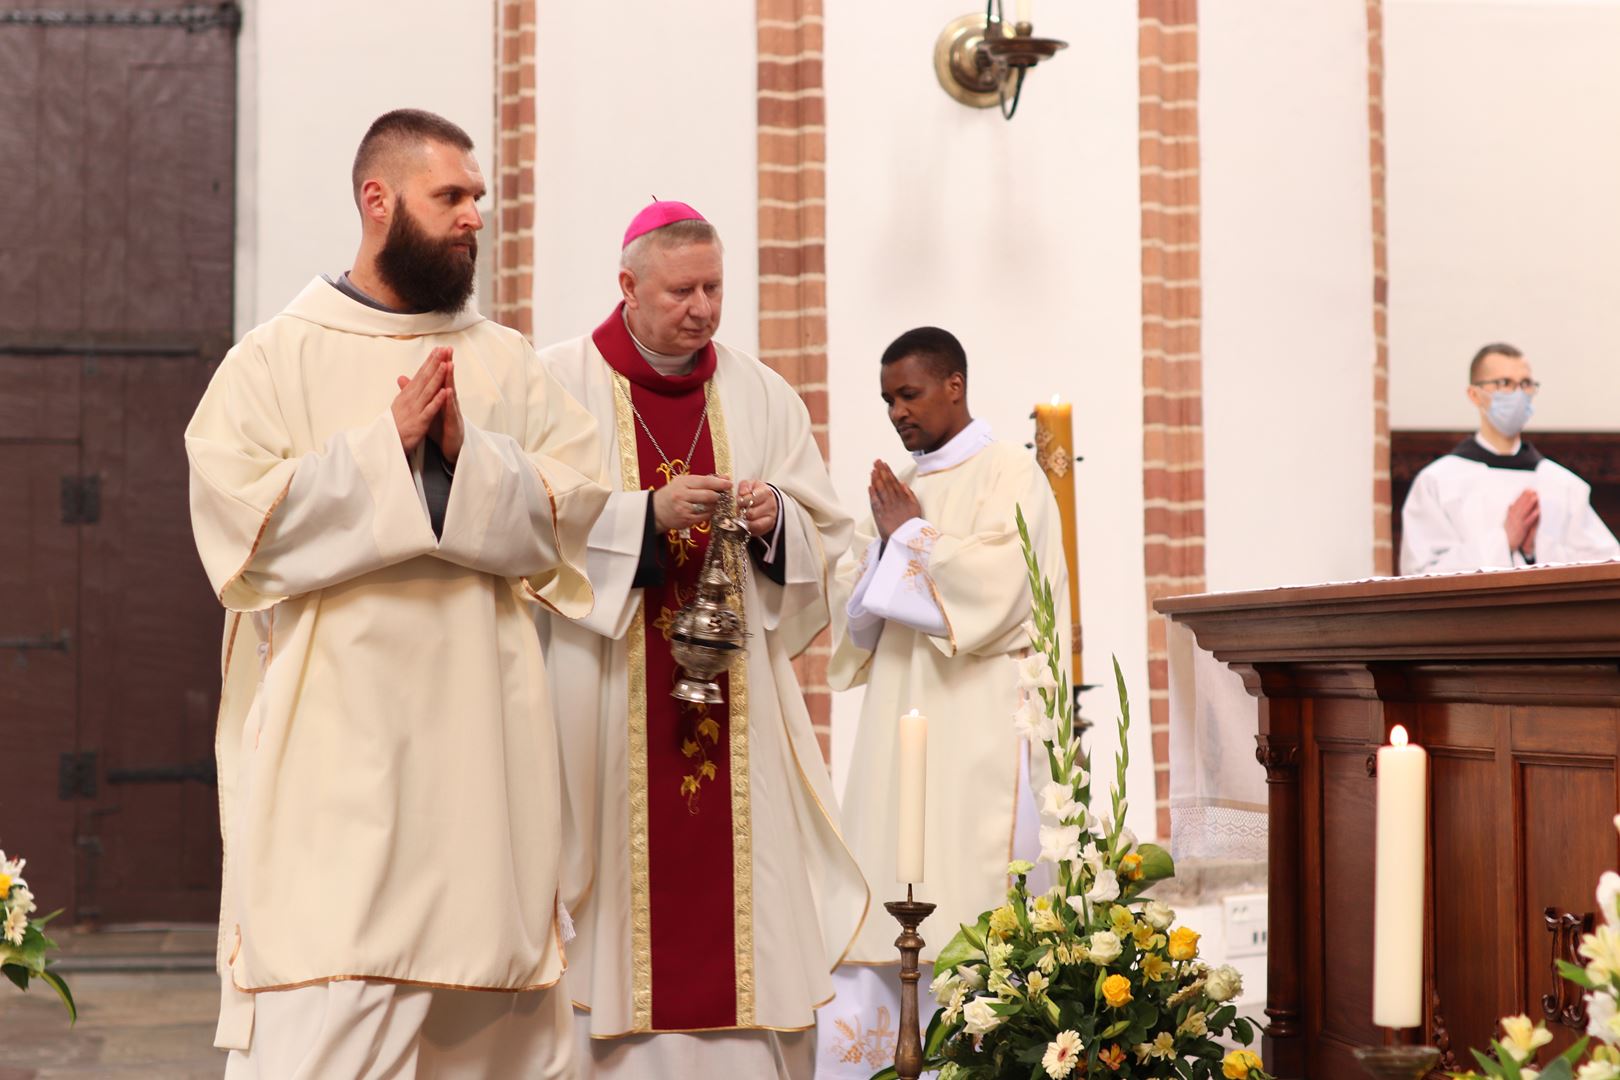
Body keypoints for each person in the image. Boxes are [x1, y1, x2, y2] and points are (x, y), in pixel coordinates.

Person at [185, 109, 608, 1079]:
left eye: (477, 199)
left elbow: (576, 504)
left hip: (480, 772)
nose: (473, 217)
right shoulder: (275, 358)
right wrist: (385, 453)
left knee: (489, 1035)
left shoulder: (503, 361)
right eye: (450, 196)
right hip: (339, 770)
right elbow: (236, 524)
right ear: (378, 201)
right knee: (327, 1021)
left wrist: (470, 460)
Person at [534, 200, 868, 1079]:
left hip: (734, 691)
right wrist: (640, 517)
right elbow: (525, 525)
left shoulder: (759, 392)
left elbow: (827, 536)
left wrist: (772, 520)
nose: (703, 308)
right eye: (682, 290)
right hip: (603, 689)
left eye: (715, 287)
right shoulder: (555, 384)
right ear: (628, 287)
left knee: (743, 898)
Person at [817, 327, 1070, 1078]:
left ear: (954, 385)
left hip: (978, 729)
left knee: (968, 897)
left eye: (910, 393)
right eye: (888, 399)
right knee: (888, 881)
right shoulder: (898, 484)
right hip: (900, 725)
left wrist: (912, 537)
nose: (897, 411)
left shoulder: (1010, 476)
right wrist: (880, 555)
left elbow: (1004, 589)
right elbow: (857, 609)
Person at [1400, 342, 1619, 574]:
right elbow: (1420, 574)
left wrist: (1536, 549)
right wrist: (1503, 541)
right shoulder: (1437, 482)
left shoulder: (1564, 485)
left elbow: (1608, 568)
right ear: (1475, 395)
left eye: (1525, 384)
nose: (1517, 394)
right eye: (1504, 383)